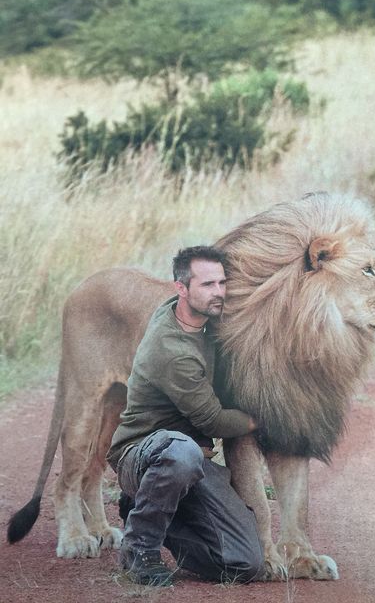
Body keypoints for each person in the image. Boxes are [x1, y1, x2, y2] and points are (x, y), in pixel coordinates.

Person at [106, 246, 264, 586]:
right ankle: (139, 548)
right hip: (145, 455)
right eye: (208, 285)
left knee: (245, 564)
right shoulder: (172, 349)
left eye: (222, 283)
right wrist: (262, 419)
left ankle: (148, 513)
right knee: (182, 451)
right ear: (181, 288)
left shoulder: (200, 320)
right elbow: (213, 421)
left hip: (190, 463)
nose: (219, 293)